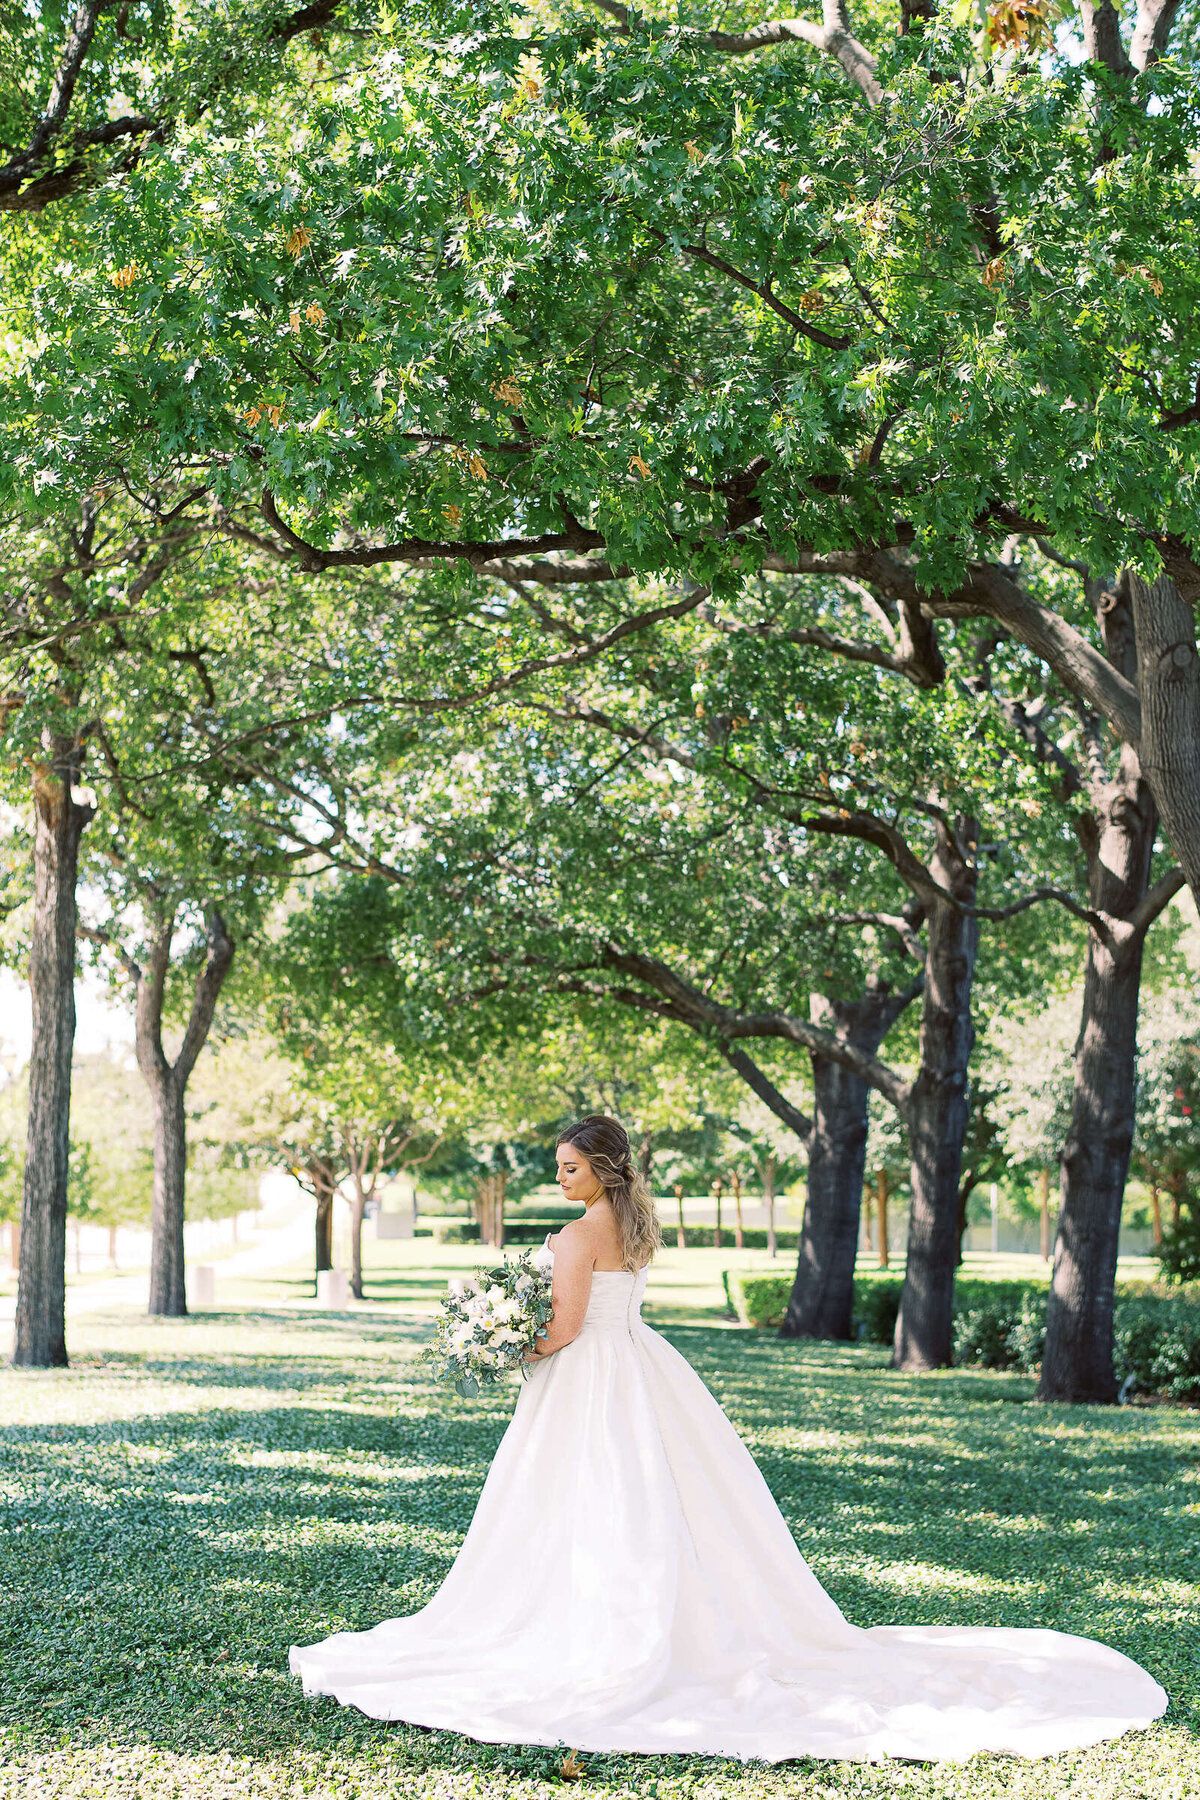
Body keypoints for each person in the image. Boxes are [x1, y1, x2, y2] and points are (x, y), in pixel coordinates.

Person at [289, 1113, 1167, 1763]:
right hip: (643, 1371)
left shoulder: (572, 1237)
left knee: (578, 1501)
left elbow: (561, 1328)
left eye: (568, 1166)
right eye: (558, 1169)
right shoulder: (632, 1226)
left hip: (588, 1379)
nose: (559, 1179)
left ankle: (588, 1626)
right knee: (658, 1499)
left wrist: (499, 1340)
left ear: (600, 1168)